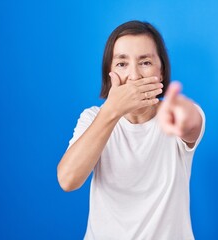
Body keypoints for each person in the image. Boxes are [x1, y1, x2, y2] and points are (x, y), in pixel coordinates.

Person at [57, 20, 205, 240]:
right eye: (122, 64)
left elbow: (190, 121)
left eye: (145, 62)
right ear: (110, 73)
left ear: (161, 72)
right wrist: (112, 111)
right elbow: (68, 180)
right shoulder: (92, 118)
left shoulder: (175, 114)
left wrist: (181, 114)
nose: (134, 76)